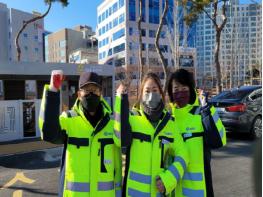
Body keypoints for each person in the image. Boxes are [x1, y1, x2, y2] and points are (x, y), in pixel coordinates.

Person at [39, 70, 122, 197]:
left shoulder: (112, 123)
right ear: (78, 94)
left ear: (100, 94)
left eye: (94, 90)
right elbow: (49, 133)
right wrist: (53, 90)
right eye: (86, 90)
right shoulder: (69, 120)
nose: (91, 93)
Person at [114, 72, 189, 197]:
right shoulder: (132, 119)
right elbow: (119, 140)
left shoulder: (169, 123)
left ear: (160, 93)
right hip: (134, 193)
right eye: (147, 91)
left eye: (155, 90)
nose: (151, 94)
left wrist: (169, 178)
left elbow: (183, 155)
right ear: (141, 95)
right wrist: (120, 100)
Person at [167, 69, 226, 197]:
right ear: (171, 93)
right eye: (176, 89)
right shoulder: (168, 120)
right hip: (172, 189)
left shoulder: (201, 113)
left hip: (199, 191)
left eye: (184, 87)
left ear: (191, 89)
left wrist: (206, 110)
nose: (180, 92)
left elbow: (219, 140)